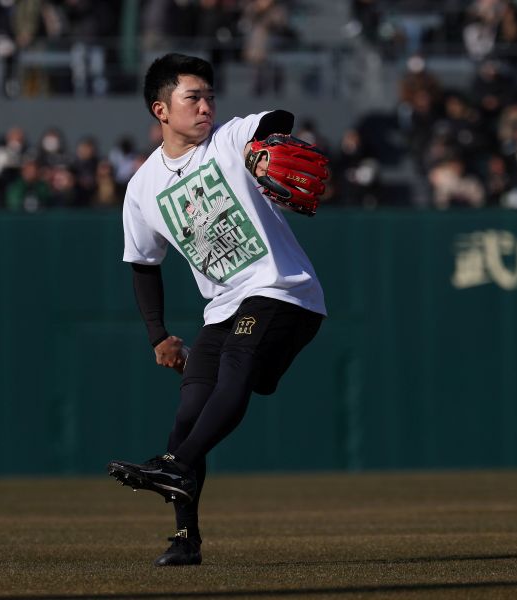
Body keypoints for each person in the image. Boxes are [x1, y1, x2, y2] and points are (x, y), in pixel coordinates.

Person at [107, 54, 326, 567]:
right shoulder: (143, 188)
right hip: (223, 306)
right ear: (161, 109)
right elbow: (143, 264)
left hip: (282, 289)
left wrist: (262, 148)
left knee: (235, 370)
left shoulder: (230, 140)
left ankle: (173, 467)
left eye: (209, 96)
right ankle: (186, 539)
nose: (206, 106)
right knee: (187, 416)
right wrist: (159, 334)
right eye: (193, 97)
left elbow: (278, 121)